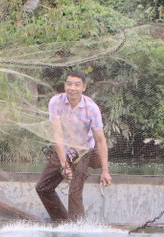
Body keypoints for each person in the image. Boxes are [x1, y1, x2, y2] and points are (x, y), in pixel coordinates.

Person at [35, 72, 112, 223]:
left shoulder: (92, 108)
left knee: (74, 193)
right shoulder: (55, 102)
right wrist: (64, 165)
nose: (72, 88)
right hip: (63, 149)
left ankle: (77, 230)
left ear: (84, 87)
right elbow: (57, 135)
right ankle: (62, 221)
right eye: (69, 84)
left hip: (83, 151)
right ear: (64, 86)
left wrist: (105, 171)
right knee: (43, 187)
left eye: (77, 84)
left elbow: (101, 140)